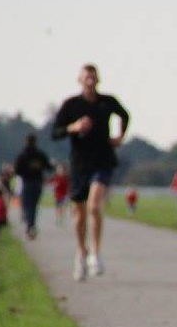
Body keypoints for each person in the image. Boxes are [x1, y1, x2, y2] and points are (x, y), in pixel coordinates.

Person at [51, 63, 129, 280]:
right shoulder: (71, 105)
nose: (90, 81)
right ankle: (81, 252)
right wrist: (72, 127)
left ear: (98, 79)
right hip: (79, 165)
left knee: (94, 206)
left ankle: (95, 253)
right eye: (86, 77)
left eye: (93, 77)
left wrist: (120, 137)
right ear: (80, 80)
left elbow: (125, 115)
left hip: (103, 161)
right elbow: (55, 133)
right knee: (78, 213)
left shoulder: (107, 102)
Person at [13, 134, 52, 239]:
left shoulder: (22, 155)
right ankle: (31, 226)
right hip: (38, 183)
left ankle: (29, 226)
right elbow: (49, 166)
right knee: (33, 206)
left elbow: (16, 170)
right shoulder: (40, 155)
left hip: (27, 183)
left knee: (26, 205)